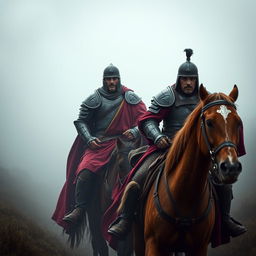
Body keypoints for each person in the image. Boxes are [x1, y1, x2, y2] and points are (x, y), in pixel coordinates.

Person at [107, 49, 247, 240]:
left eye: (191, 79)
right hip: (167, 147)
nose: (188, 83)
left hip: (197, 152)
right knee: (139, 175)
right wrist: (157, 137)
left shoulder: (206, 99)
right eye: (184, 79)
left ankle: (225, 218)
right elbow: (148, 120)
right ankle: (124, 219)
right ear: (179, 79)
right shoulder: (168, 95)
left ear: (196, 79)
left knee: (222, 181)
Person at [52, 64, 147, 229]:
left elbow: (144, 120)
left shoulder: (130, 98)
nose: (112, 82)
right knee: (84, 170)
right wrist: (89, 139)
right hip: (100, 144)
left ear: (119, 79)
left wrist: (134, 131)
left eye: (114, 79)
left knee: (140, 169)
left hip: (124, 143)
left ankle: (141, 209)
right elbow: (81, 121)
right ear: (104, 80)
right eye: (108, 79)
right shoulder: (95, 98)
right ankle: (80, 209)